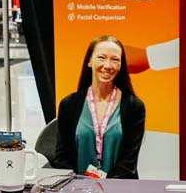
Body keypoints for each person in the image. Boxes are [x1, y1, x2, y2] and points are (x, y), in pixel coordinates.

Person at [52, 35, 146, 178]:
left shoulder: (134, 107)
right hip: (77, 188)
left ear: (121, 65)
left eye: (115, 60)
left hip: (119, 187)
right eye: (101, 58)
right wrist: (78, 186)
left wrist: (105, 186)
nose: (108, 65)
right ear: (89, 61)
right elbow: (62, 158)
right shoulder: (69, 104)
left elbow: (128, 163)